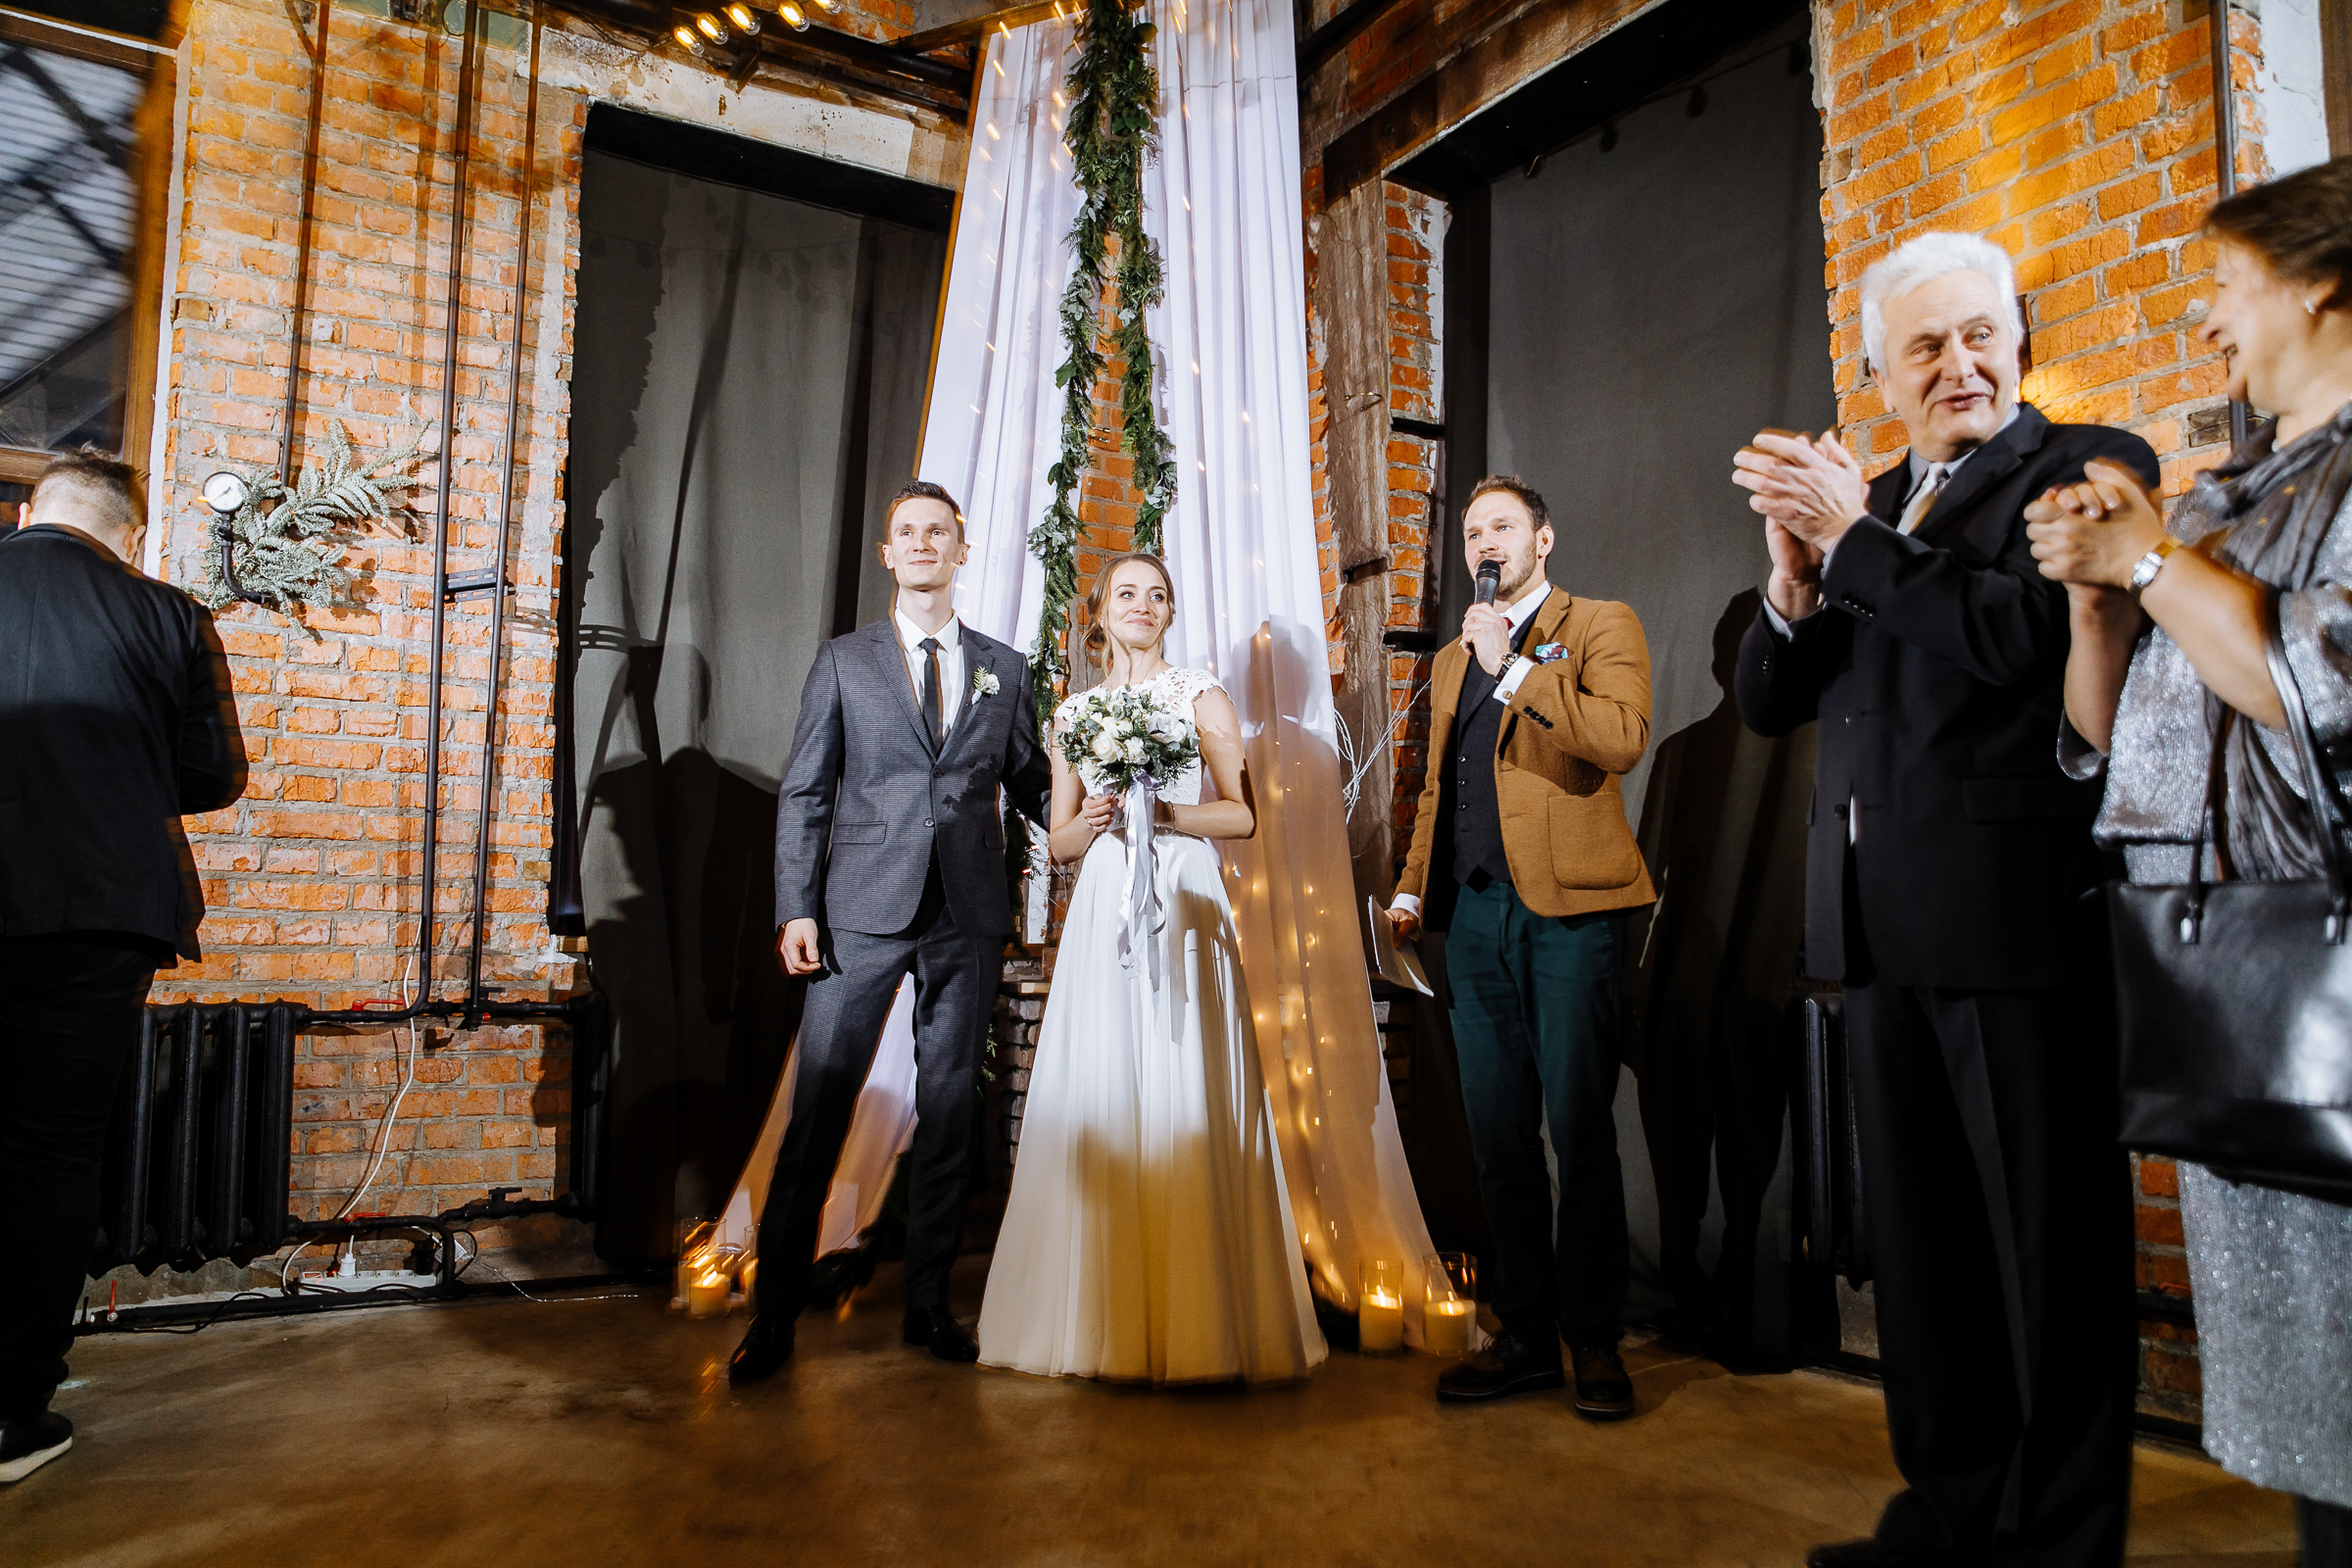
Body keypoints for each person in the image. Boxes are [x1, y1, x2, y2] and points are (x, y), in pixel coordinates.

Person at [1731, 230, 2157, 1568]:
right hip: (1874, 930)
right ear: (1880, 370)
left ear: (2018, 335)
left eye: (1980, 333)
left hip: (2017, 920)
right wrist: (1796, 584)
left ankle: (2064, 1542)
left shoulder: (2088, 464)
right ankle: (1955, 1515)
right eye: (1925, 345)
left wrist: (1850, 538)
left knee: (2052, 1259)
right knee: (1924, 1264)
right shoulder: (1885, 504)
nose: (1959, 363)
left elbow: (2024, 638)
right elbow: (1765, 702)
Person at [2026, 156, 2352, 1567]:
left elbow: (2308, 687)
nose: (2212, 323)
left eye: (2230, 285)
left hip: (2325, 979)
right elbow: (2110, 745)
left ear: (2323, 285)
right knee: (2314, 1432)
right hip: (2225, 986)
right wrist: (2100, 599)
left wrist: (2154, 560)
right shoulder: (2223, 499)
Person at [729, 479, 1051, 1385]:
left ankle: (928, 1307)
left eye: (936, 532)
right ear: (888, 554)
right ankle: (774, 1318)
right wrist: (797, 905)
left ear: (961, 549)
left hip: (967, 916)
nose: (921, 544)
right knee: (819, 1108)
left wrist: (1099, 796)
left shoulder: (1005, 666)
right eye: (905, 532)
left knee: (949, 1114)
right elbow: (806, 789)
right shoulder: (845, 660)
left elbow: (1028, 783)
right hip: (858, 914)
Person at [976, 553, 1326, 1384]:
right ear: (1101, 611)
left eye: (1157, 595)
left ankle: (1198, 1317)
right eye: (1127, 593)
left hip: (1183, 891)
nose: (1143, 605)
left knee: (1183, 1075)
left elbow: (1240, 815)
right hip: (1105, 902)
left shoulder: (1200, 694)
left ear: (1170, 613)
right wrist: (1095, 819)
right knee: (1105, 1083)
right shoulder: (1073, 714)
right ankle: (1098, 1313)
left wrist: (1164, 811)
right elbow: (1056, 841)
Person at [1385, 475, 1653, 1418]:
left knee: (1579, 1132)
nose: (1482, 542)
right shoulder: (1458, 656)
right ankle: (1528, 1336)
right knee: (1498, 1139)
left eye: (1500, 526)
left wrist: (1517, 669)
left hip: (1573, 914)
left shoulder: (1599, 623)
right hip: (1475, 917)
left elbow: (1619, 740)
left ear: (1543, 539)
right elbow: (1438, 786)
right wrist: (1415, 884)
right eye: (1470, 531)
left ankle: (1594, 1342)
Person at [0, 453, 246, 1483]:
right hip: (99, 908)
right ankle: (11, 1416)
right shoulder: (170, 612)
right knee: (50, 1155)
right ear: (130, 534)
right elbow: (213, 774)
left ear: (25, 512)